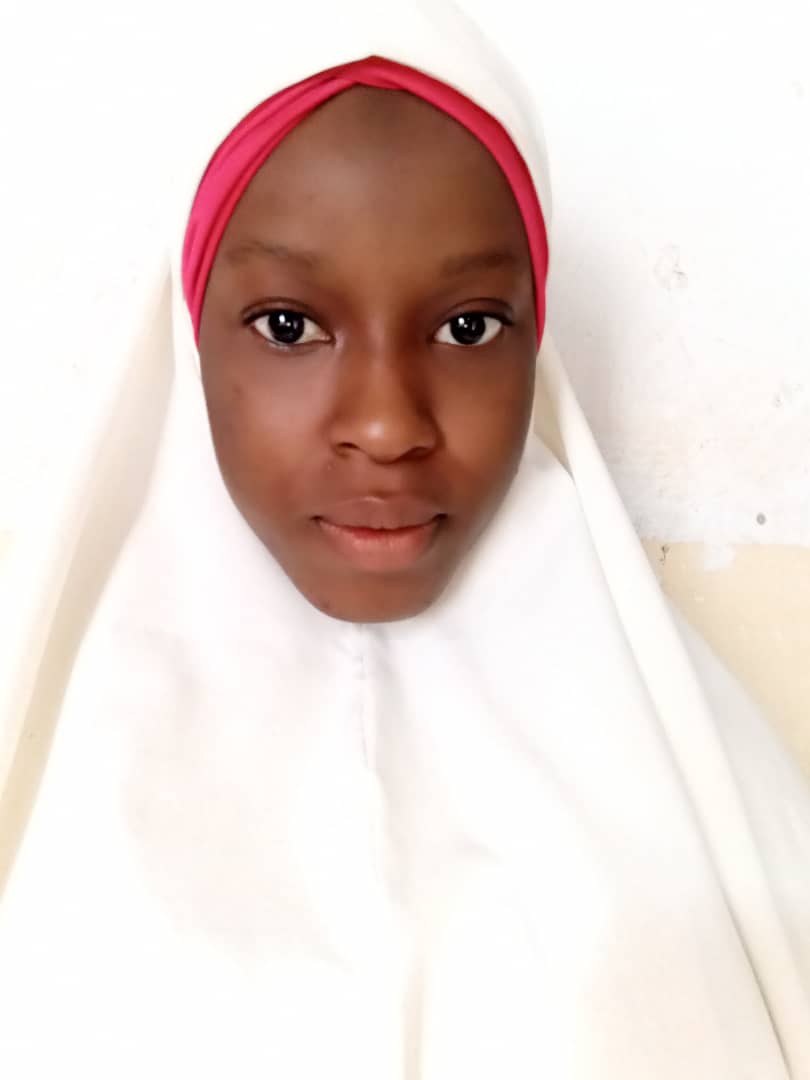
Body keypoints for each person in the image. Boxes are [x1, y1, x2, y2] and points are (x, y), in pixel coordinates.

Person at [0, 1, 808, 1076]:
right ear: (191, 333)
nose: (387, 426)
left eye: (468, 327)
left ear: (536, 333)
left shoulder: (699, 818)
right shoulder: (59, 806)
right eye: (289, 325)